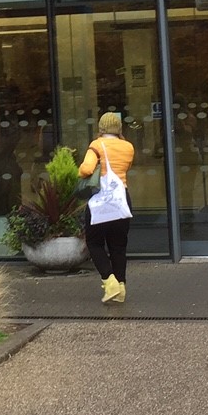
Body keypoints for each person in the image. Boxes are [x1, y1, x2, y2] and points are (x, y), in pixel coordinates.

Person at [78, 111, 135, 304]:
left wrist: (82, 171)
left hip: (101, 200)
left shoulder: (96, 145)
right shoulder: (128, 147)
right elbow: (125, 168)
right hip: (122, 198)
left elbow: (86, 169)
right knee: (118, 245)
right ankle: (121, 289)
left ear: (101, 128)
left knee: (94, 242)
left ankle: (109, 281)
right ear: (119, 128)